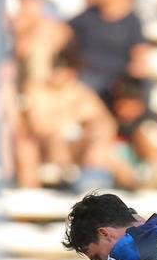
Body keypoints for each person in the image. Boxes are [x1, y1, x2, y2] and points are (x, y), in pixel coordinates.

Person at [14, 45, 117, 189]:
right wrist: (68, 116)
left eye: (60, 70)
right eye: (54, 69)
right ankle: (63, 178)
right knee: (54, 137)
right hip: (45, 144)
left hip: (76, 146)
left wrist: (96, 142)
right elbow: (38, 126)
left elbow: (104, 120)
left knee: (101, 130)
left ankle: (103, 179)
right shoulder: (36, 90)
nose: (56, 74)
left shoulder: (80, 90)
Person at [67, 0, 150, 106]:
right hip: (84, 80)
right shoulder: (88, 16)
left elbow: (140, 56)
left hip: (116, 85)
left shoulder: (132, 22)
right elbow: (62, 33)